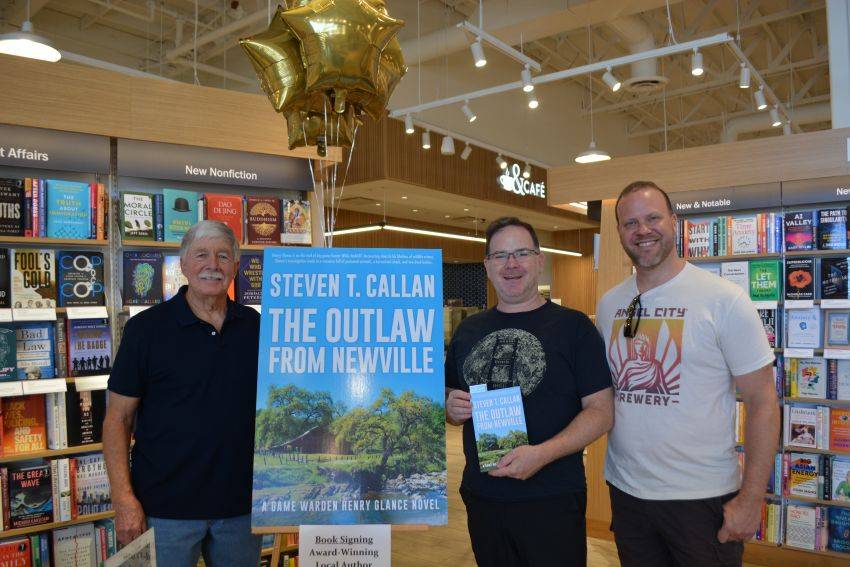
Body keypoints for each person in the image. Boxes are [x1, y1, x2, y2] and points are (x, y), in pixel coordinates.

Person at [596, 181, 780, 566]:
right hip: (628, 493)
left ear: (674, 221)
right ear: (619, 232)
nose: (642, 230)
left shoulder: (724, 299)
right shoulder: (611, 304)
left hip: (701, 499)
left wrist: (751, 500)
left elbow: (763, 403)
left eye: (652, 218)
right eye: (630, 223)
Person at [445, 216, 614, 566]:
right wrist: (451, 408)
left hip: (552, 498)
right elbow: (450, 402)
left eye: (521, 253)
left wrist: (541, 455)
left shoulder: (574, 327)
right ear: (487, 266)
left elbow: (601, 411)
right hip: (484, 496)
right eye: (500, 255)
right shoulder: (468, 330)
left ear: (539, 260)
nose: (511, 264)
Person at [104, 221, 261, 567]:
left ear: (236, 266)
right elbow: (118, 418)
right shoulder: (145, 329)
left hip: (241, 509)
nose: (212, 265)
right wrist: (123, 499)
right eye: (201, 255)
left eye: (223, 256)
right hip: (163, 511)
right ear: (184, 264)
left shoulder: (256, 327)